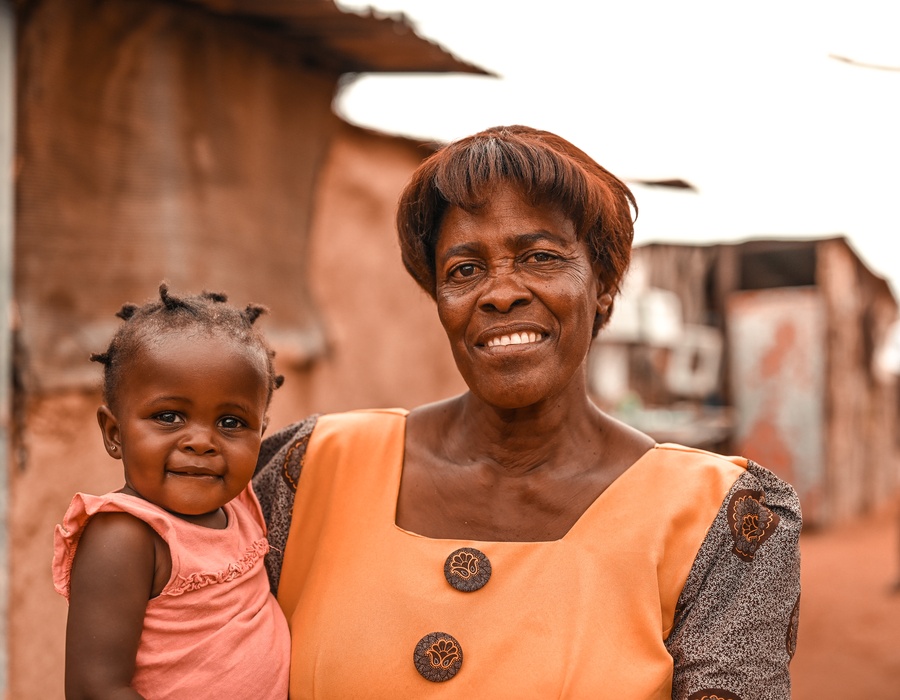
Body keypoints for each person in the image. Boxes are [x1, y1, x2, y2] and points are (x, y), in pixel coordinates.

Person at [253, 125, 802, 699]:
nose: (501, 292)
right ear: (439, 299)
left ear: (605, 284)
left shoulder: (720, 518)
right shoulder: (311, 469)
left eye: (540, 257)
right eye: (464, 270)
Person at [53, 284, 291, 699]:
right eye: (169, 416)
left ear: (260, 435)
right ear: (114, 433)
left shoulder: (242, 505)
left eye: (232, 423)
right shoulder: (125, 536)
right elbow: (96, 689)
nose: (201, 441)